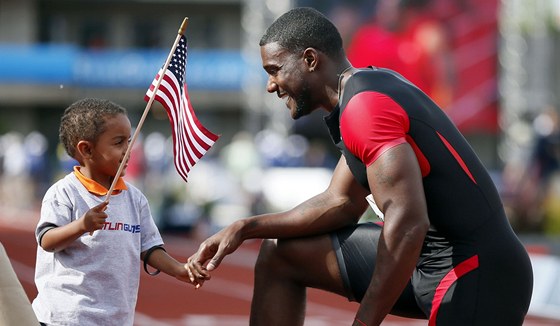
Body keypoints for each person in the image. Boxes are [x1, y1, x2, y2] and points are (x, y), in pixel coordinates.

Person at [186, 7, 533, 326]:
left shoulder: (365, 107)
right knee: (280, 254)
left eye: (275, 70)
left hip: (477, 272)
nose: (270, 85)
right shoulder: (358, 97)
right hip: (428, 262)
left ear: (309, 60)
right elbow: (339, 203)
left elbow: (409, 224)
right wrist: (245, 227)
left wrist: (364, 322)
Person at [32, 98, 195, 326]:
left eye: (129, 142)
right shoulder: (64, 193)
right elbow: (47, 240)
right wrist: (82, 225)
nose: (128, 151)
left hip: (115, 317)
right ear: (86, 149)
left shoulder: (135, 198)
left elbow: (148, 247)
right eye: (119, 143)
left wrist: (179, 269)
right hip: (67, 316)